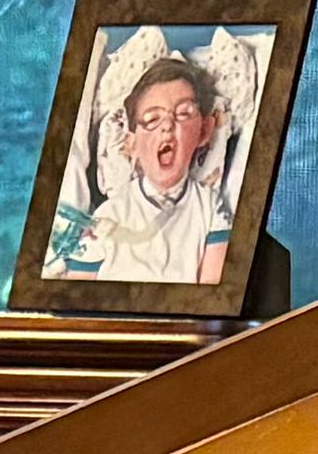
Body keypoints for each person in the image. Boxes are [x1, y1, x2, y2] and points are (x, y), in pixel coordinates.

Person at [55, 43, 246, 286]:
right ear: (132, 143)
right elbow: (74, 293)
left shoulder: (211, 209)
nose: (167, 125)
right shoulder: (109, 215)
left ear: (204, 131)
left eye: (183, 113)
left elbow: (214, 290)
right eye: (152, 118)